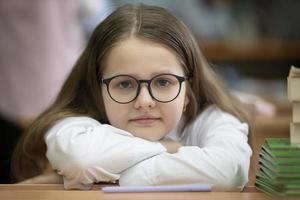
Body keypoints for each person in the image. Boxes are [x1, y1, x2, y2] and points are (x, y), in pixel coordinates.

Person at [12, 4, 252, 190]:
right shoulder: (75, 123)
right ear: (98, 88)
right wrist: (166, 148)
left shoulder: (209, 118)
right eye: (125, 84)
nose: (144, 100)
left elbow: (230, 171)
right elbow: (83, 160)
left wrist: (98, 179)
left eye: (163, 82)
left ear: (188, 91)